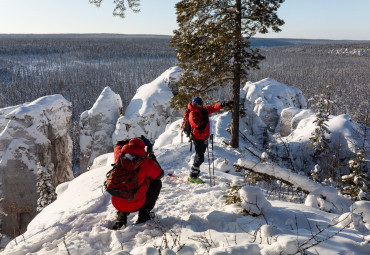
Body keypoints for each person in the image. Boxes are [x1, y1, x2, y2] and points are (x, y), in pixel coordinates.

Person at [111, 137, 164, 230]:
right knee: (156, 183)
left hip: (117, 203)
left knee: (125, 183)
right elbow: (160, 174)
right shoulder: (145, 162)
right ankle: (144, 215)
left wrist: (127, 142)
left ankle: (121, 218)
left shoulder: (120, 157)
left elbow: (117, 147)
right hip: (136, 204)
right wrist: (151, 157)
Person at [187, 97, 233, 184]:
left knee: (199, 155)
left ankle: (195, 172)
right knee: (200, 158)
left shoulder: (202, 110)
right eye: (199, 104)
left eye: (202, 103)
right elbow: (198, 126)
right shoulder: (192, 114)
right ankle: (192, 176)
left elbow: (212, 107)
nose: (201, 105)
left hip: (204, 137)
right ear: (195, 104)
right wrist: (204, 117)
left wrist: (223, 104)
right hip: (198, 138)